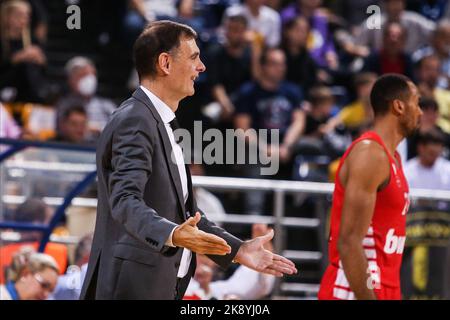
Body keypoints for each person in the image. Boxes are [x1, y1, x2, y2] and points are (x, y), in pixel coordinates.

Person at [80, 20, 297, 300]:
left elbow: (186, 218)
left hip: (158, 283)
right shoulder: (135, 119)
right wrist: (171, 233)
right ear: (165, 63)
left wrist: (239, 250)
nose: (202, 67)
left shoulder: (159, 121)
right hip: (132, 287)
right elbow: (124, 200)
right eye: (194, 57)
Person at [318, 73, 423, 300]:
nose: (421, 111)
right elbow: (349, 242)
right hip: (354, 288)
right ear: (399, 106)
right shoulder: (370, 153)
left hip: (383, 284)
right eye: (417, 102)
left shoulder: (393, 157)